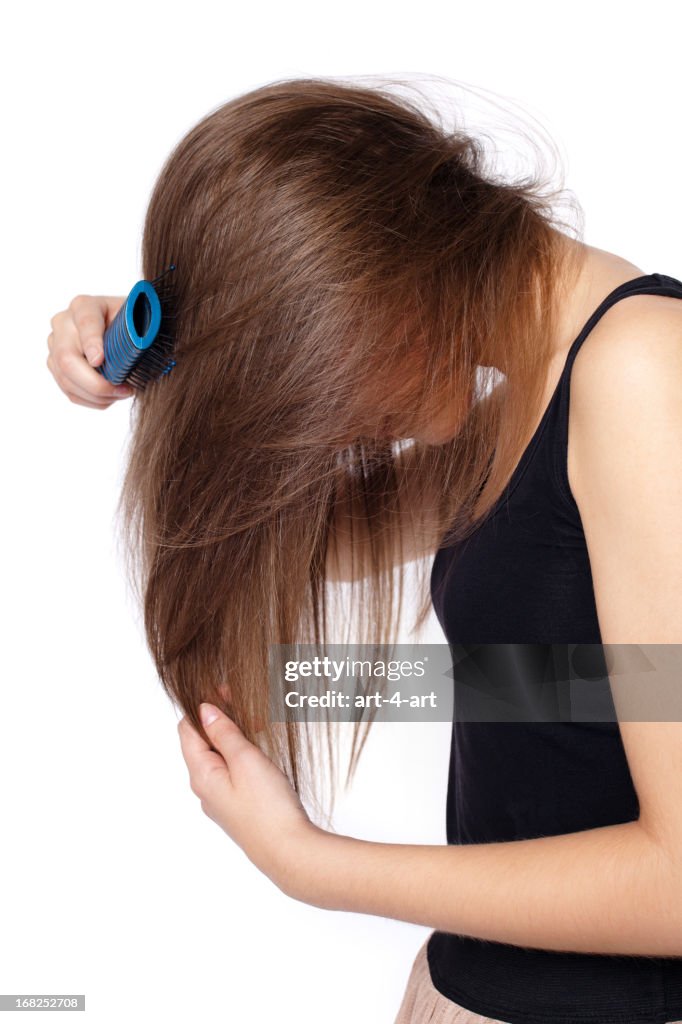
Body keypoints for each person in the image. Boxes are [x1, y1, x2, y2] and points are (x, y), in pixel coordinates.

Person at [46, 77, 682, 1024]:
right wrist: (187, 369)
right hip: (471, 982)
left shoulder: (642, 370)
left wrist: (316, 867)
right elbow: (330, 544)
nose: (340, 426)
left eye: (319, 376)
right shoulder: (527, 388)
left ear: (384, 282)